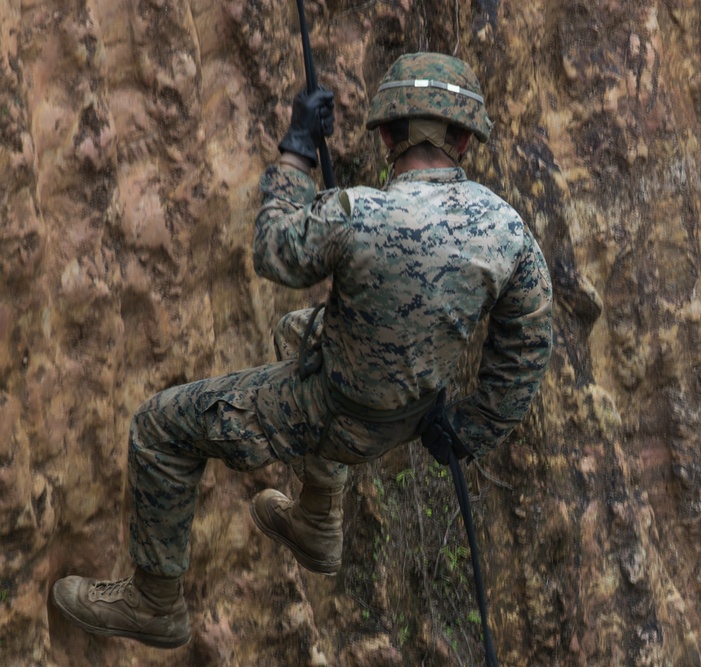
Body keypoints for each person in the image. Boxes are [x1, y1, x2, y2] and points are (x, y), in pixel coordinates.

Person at [50, 52, 553, 648]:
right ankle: (316, 523)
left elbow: (275, 251)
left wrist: (295, 152)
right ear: (465, 140)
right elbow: (525, 349)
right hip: (413, 418)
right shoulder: (506, 228)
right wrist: (471, 429)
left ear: (387, 133)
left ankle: (155, 602)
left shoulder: (357, 212)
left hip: (333, 413)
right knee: (298, 330)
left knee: (160, 427)